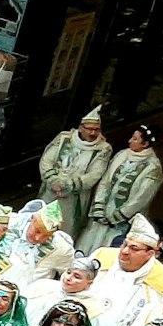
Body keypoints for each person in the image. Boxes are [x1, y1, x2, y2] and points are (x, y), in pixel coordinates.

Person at [38, 106, 112, 247]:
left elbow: (95, 174)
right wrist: (53, 181)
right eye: (89, 128)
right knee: (41, 221)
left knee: (64, 231)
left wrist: (68, 185)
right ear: (81, 127)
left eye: (96, 130)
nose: (92, 132)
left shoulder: (103, 149)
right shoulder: (64, 138)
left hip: (74, 197)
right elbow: (47, 160)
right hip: (51, 190)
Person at [86, 124, 163, 253]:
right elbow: (106, 181)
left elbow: (142, 197)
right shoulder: (122, 155)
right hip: (104, 210)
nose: (130, 141)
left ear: (145, 144)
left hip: (122, 219)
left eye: (135, 139)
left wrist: (119, 215)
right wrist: (99, 205)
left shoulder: (153, 168)